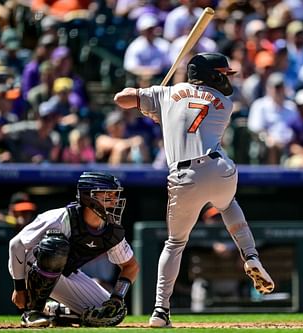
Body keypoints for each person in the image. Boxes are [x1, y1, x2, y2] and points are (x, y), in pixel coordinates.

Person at [114, 52, 275, 328]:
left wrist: (150, 101)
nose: (226, 78)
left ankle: (160, 311)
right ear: (211, 74)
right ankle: (250, 255)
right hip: (219, 169)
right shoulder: (225, 103)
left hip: (183, 177)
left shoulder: (167, 93)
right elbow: (191, 119)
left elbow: (121, 98)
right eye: (222, 73)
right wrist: (159, 109)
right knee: (227, 205)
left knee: (175, 243)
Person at [8, 172, 139, 327]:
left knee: (105, 313)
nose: (115, 200)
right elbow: (16, 244)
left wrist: (117, 297)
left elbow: (131, 266)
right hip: (29, 266)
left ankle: (56, 311)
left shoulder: (111, 230)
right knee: (55, 246)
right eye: (108, 194)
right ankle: (33, 312)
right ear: (88, 196)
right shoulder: (60, 218)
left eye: (115, 195)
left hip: (65, 272)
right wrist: (19, 287)